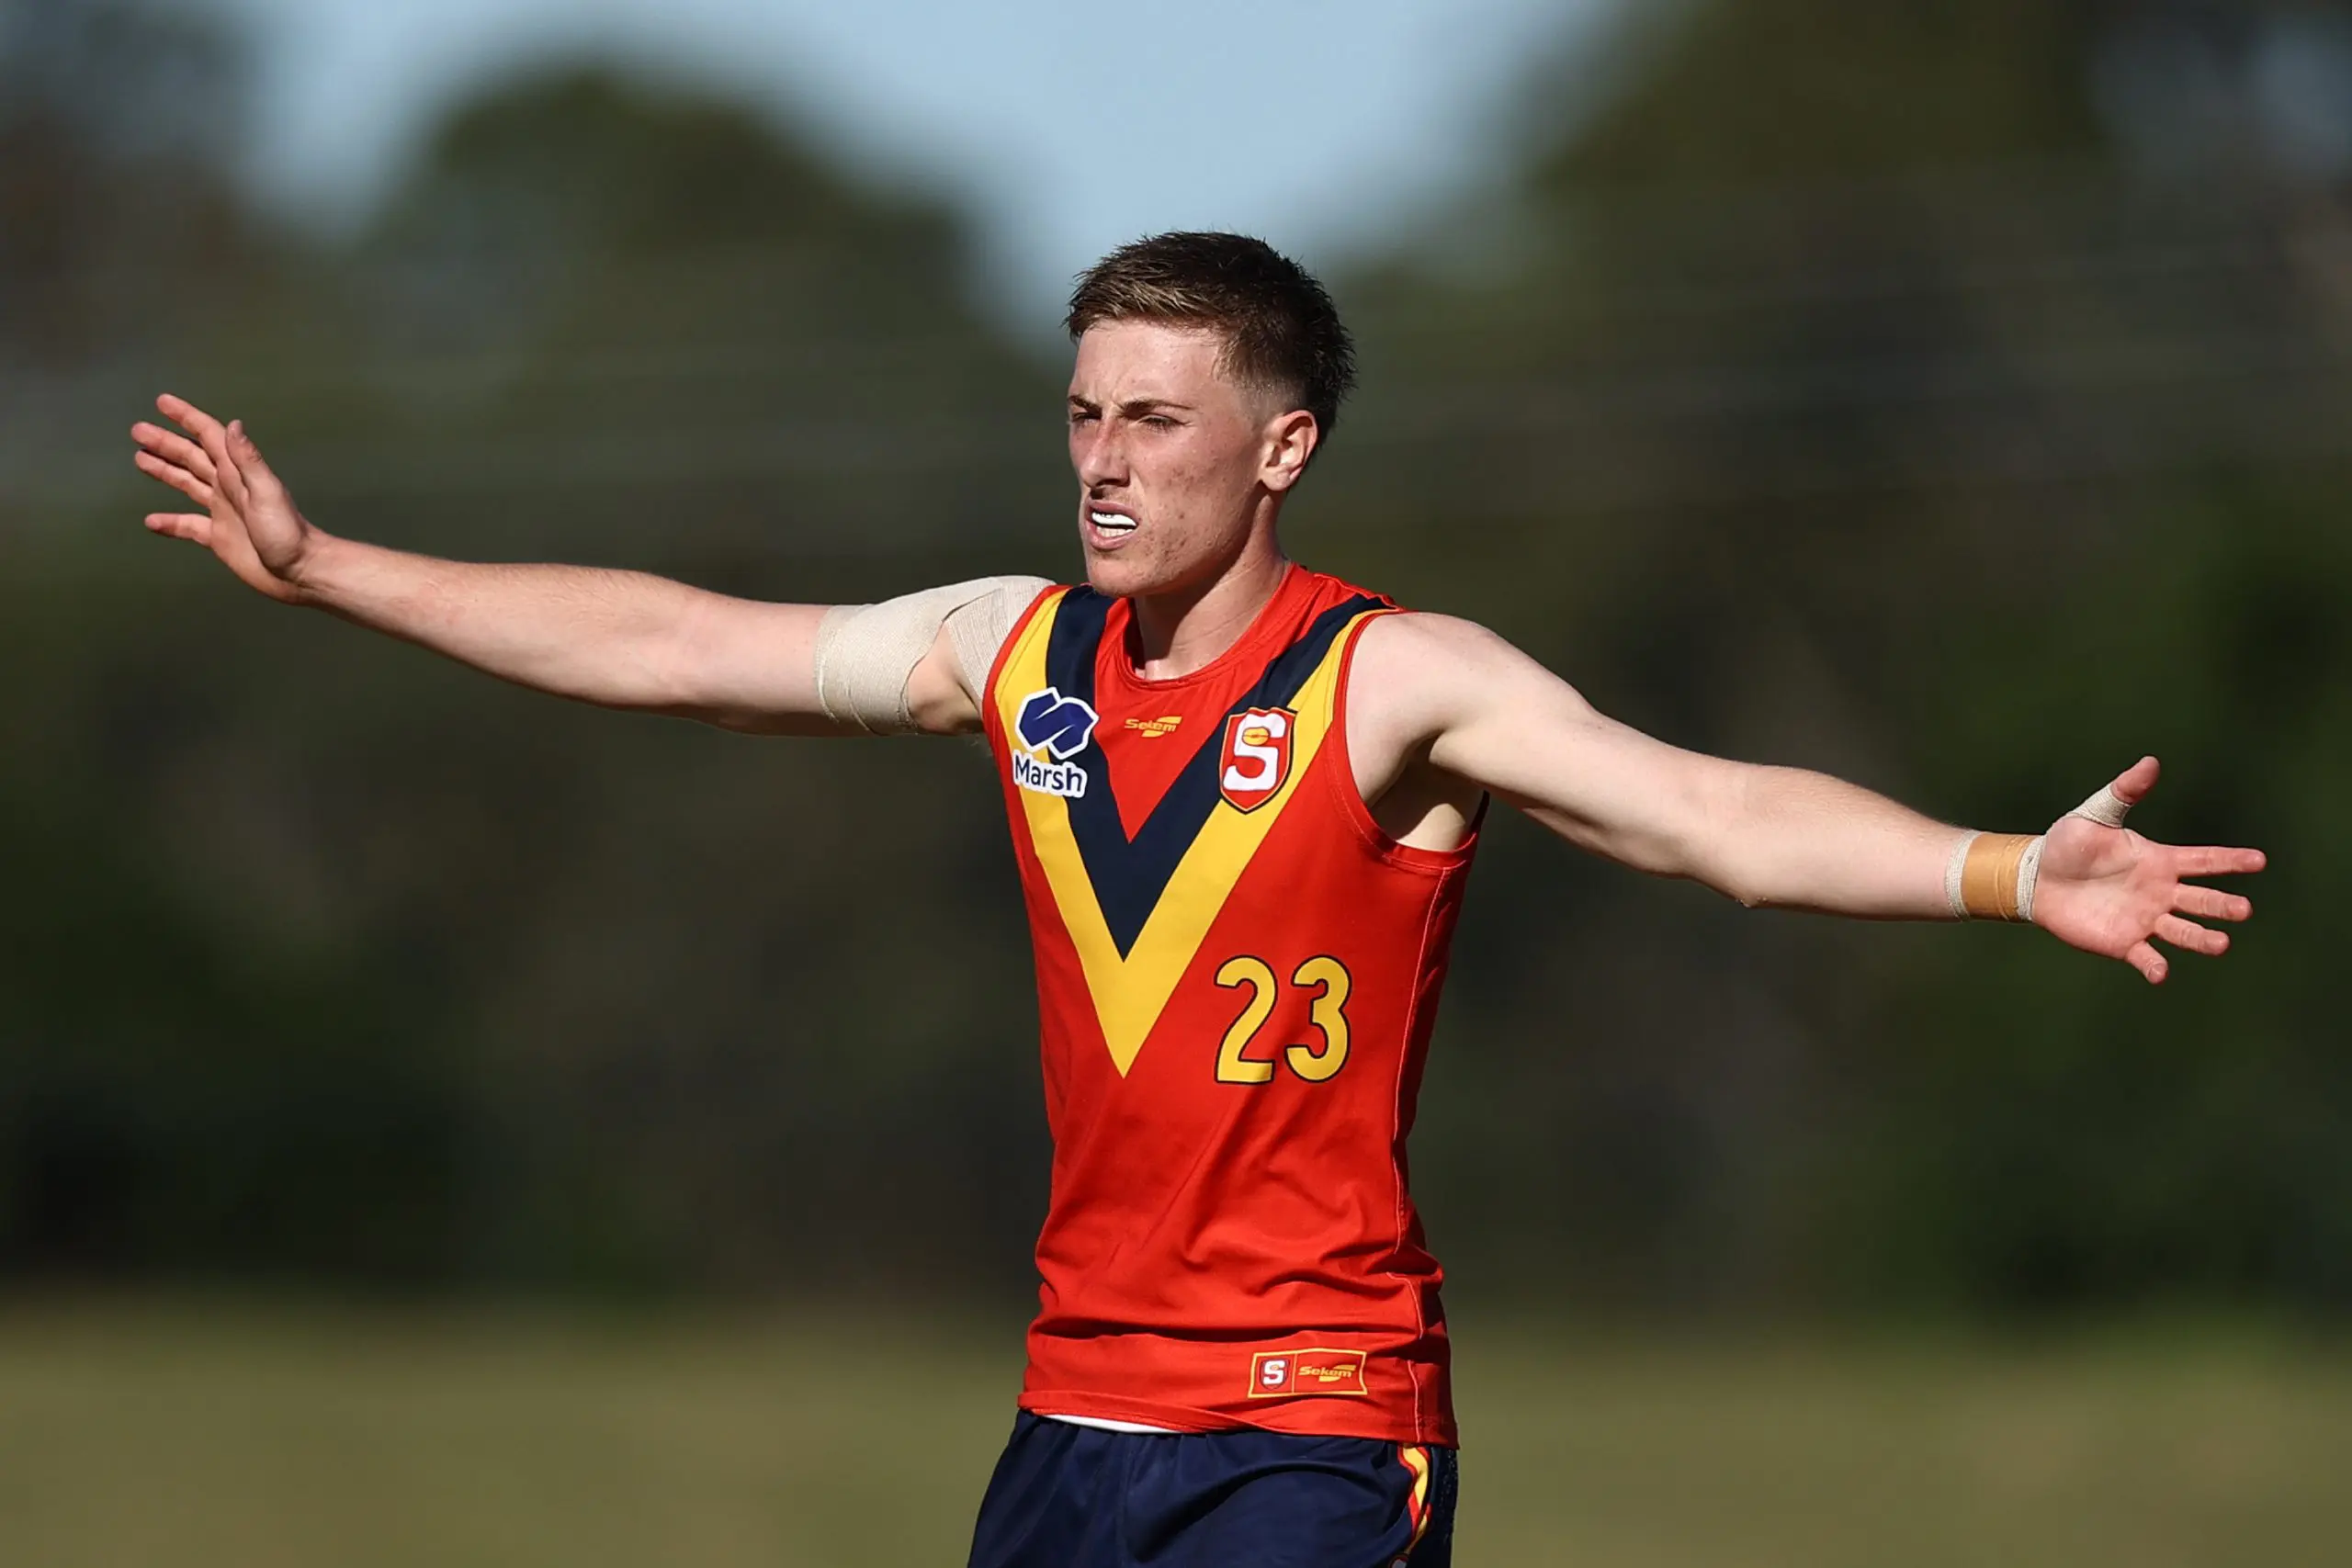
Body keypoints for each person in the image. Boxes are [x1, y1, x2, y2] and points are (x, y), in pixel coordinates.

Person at [130, 231, 2265, 1567]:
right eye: (1081, 414)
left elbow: (1704, 814)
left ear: (1282, 448)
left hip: (1308, 1430)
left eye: (1154, 418)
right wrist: (332, 569)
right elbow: (683, 643)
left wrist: (2004, 868)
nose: (1101, 460)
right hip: (1070, 1421)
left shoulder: (1387, 678)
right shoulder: (1014, 650)